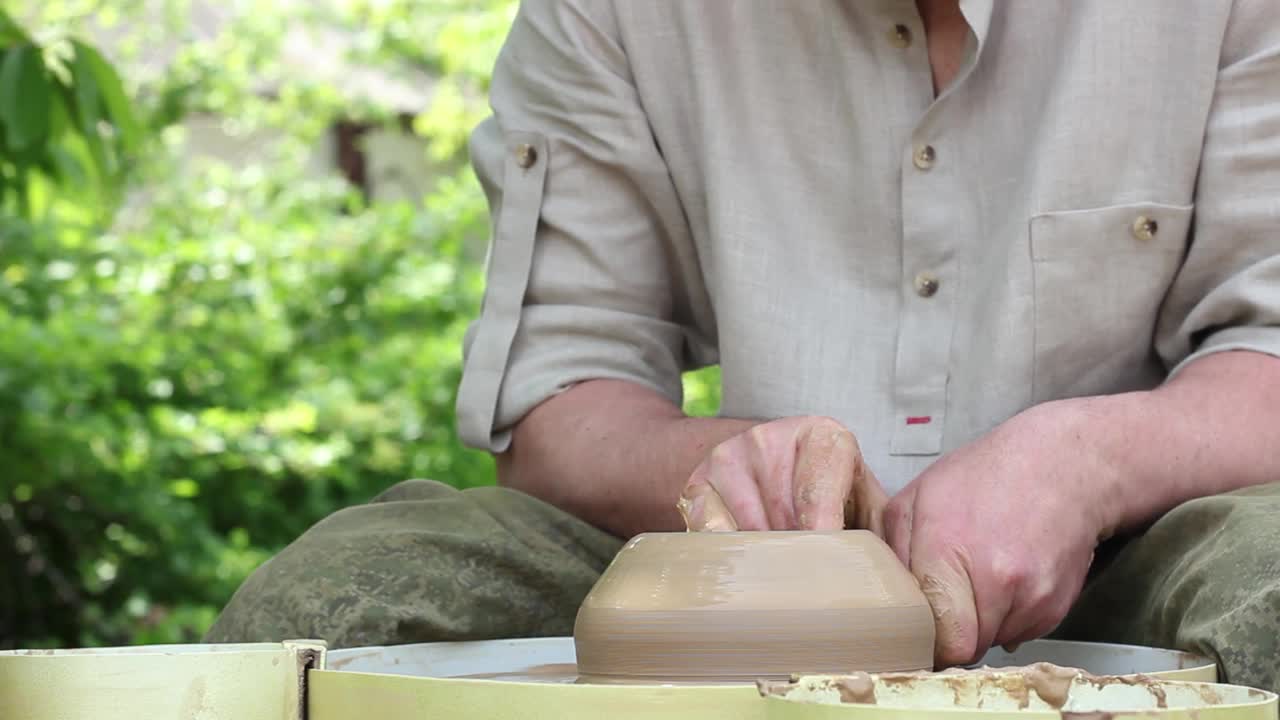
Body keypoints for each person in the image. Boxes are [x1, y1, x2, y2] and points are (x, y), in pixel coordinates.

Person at [206, 0, 1280, 692]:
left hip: (1128, 554)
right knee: (335, 600)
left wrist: (1078, 464)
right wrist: (733, 471)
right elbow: (557, 403)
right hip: (716, 570)